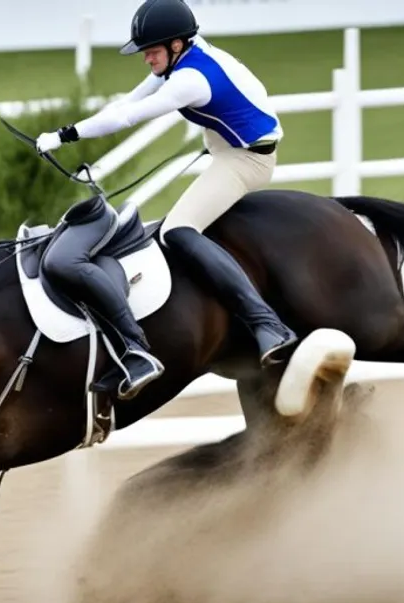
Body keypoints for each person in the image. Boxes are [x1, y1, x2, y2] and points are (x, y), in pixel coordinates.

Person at [36, 0, 298, 400]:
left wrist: (64, 135)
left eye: (152, 50)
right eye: (145, 51)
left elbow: (128, 119)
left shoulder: (190, 79)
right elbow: (126, 103)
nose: (146, 58)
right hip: (227, 145)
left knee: (177, 231)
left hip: (246, 160)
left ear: (177, 44)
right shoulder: (182, 60)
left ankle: (268, 324)